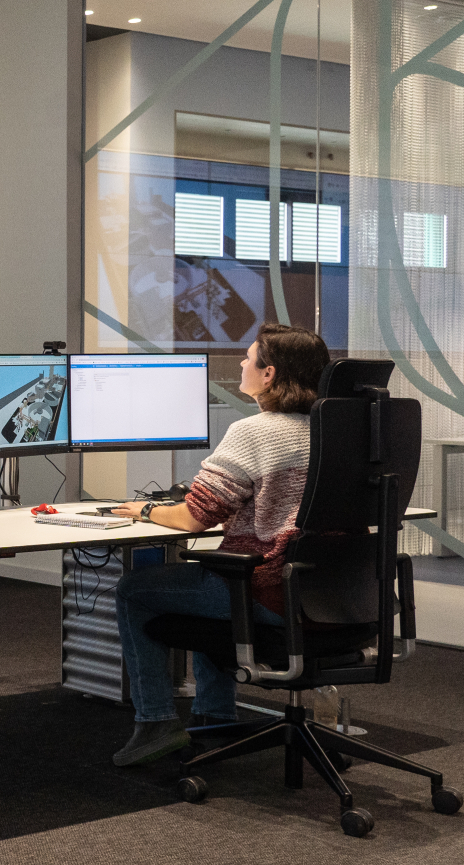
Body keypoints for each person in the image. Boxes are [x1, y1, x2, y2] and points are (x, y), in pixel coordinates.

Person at [106, 322, 332, 767]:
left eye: (248, 358)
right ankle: (214, 716)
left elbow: (194, 517)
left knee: (134, 589)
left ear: (268, 374)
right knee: (214, 578)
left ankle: (155, 722)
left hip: (270, 593)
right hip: (335, 594)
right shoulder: (336, 433)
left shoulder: (256, 432)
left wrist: (144, 510)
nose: (242, 364)